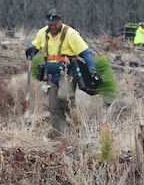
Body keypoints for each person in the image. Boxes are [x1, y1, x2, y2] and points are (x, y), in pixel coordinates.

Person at [25, 8, 101, 137]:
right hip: (50, 75)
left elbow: (86, 53)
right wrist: (31, 49)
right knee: (54, 108)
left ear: (61, 20)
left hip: (67, 72)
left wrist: (92, 71)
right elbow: (35, 46)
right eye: (49, 24)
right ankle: (61, 137)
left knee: (65, 96)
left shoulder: (71, 34)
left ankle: (79, 124)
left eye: (54, 23)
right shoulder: (42, 33)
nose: (52, 26)